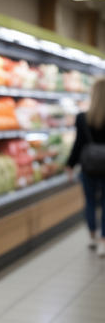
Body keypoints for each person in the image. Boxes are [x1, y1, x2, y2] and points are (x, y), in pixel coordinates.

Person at [67, 75, 105, 255]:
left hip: (88, 166)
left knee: (90, 202)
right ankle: (103, 240)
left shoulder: (83, 118)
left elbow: (78, 144)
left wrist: (70, 165)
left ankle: (92, 236)